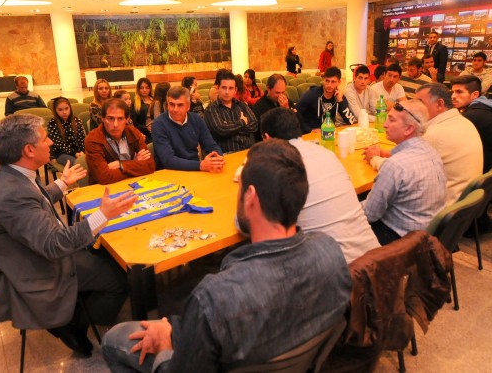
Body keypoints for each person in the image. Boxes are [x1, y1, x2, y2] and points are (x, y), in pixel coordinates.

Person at [101, 139, 352, 372]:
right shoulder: (331, 251)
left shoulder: (214, 296)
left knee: (115, 339)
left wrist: (167, 342)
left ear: (250, 197)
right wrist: (179, 330)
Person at [0, 113, 137, 357]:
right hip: (38, 266)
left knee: (106, 254)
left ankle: (81, 299)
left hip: (33, 249)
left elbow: (35, 202)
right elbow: (54, 245)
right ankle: (73, 324)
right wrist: (103, 214)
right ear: (29, 150)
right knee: (121, 278)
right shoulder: (11, 195)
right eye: (45, 139)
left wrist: (62, 184)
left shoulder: (11, 175)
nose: (51, 142)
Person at [260, 107, 380, 261]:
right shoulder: (326, 153)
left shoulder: (276, 166)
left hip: (337, 273)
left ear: (267, 138)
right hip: (377, 262)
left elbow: (250, 222)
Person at [362, 100, 446, 245]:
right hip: (427, 236)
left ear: (408, 129)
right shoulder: (432, 152)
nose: (384, 124)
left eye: (391, 120)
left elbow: (370, 214)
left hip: (401, 242)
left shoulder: (395, 166)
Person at [413, 83, 483, 206]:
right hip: (463, 207)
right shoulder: (462, 121)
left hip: (442, 208)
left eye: (420, 103)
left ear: (439, 104)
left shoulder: (435, 134)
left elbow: (403, 174)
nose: (414, 108)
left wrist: (376, 159)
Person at [152, 86, 224, 172]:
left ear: (188, 106)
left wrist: (217, 158)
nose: (175, 109)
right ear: (167, 105)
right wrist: (200, 165)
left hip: (195, 170)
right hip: (169, 173)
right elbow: (168, 160)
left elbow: (211, 145)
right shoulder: (159, 124)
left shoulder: (196, 119)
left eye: (180, 105)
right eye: (171, 104)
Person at [85, 98, 155, 185]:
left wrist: (120, 164)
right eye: (110, 118)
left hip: (132, 185)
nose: (115, 124)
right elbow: (104, 177)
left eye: (120, 119)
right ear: (102, 118)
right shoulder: (93, 139)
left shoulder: (134, 133)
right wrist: (135, 164)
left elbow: (150, 165)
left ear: (127, 119)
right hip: (103, 190)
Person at [204, 71, 258, 153]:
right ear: (218, 88)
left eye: (231, 88)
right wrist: (242, 122)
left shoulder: (242, 105)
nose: (227, 92)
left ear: (235, 90)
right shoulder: (211, 109)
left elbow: (254, 125)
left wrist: (228, 125)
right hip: (225, 155)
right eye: (224, 87)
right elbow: (221, 130)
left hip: (247, 152)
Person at [296, 66, 357, 131]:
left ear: (339, 82)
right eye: (327, 81)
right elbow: (294, 114)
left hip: (328, 133)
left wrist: (340, 101)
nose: (329, 85)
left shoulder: (339, 97)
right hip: (309, 134)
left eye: (333, 82)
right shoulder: (311, 94)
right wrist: (309, 130)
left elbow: (351, 121)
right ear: (323, 80)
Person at [47, 97, 86, 166]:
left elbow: (82, 139)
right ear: (55, 111)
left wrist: (82, 151)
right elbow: (60, 145)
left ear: (70, 108)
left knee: (92, 161)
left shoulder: (77, 120)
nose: (64, 112)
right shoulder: (52, 123)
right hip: (61, 153)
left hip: (78, 152)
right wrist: (75, 154)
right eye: (60, 110)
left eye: (66, 108)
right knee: (78, 164)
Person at [132, 77, 153, 141]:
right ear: (138, 89)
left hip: (156, 131)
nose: (144, 90)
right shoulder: (135, 103)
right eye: (142, 88)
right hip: (143, 134)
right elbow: (134, 122)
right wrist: (146, 128)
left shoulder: (155, 100)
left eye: (147, 88)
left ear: (150, 89)